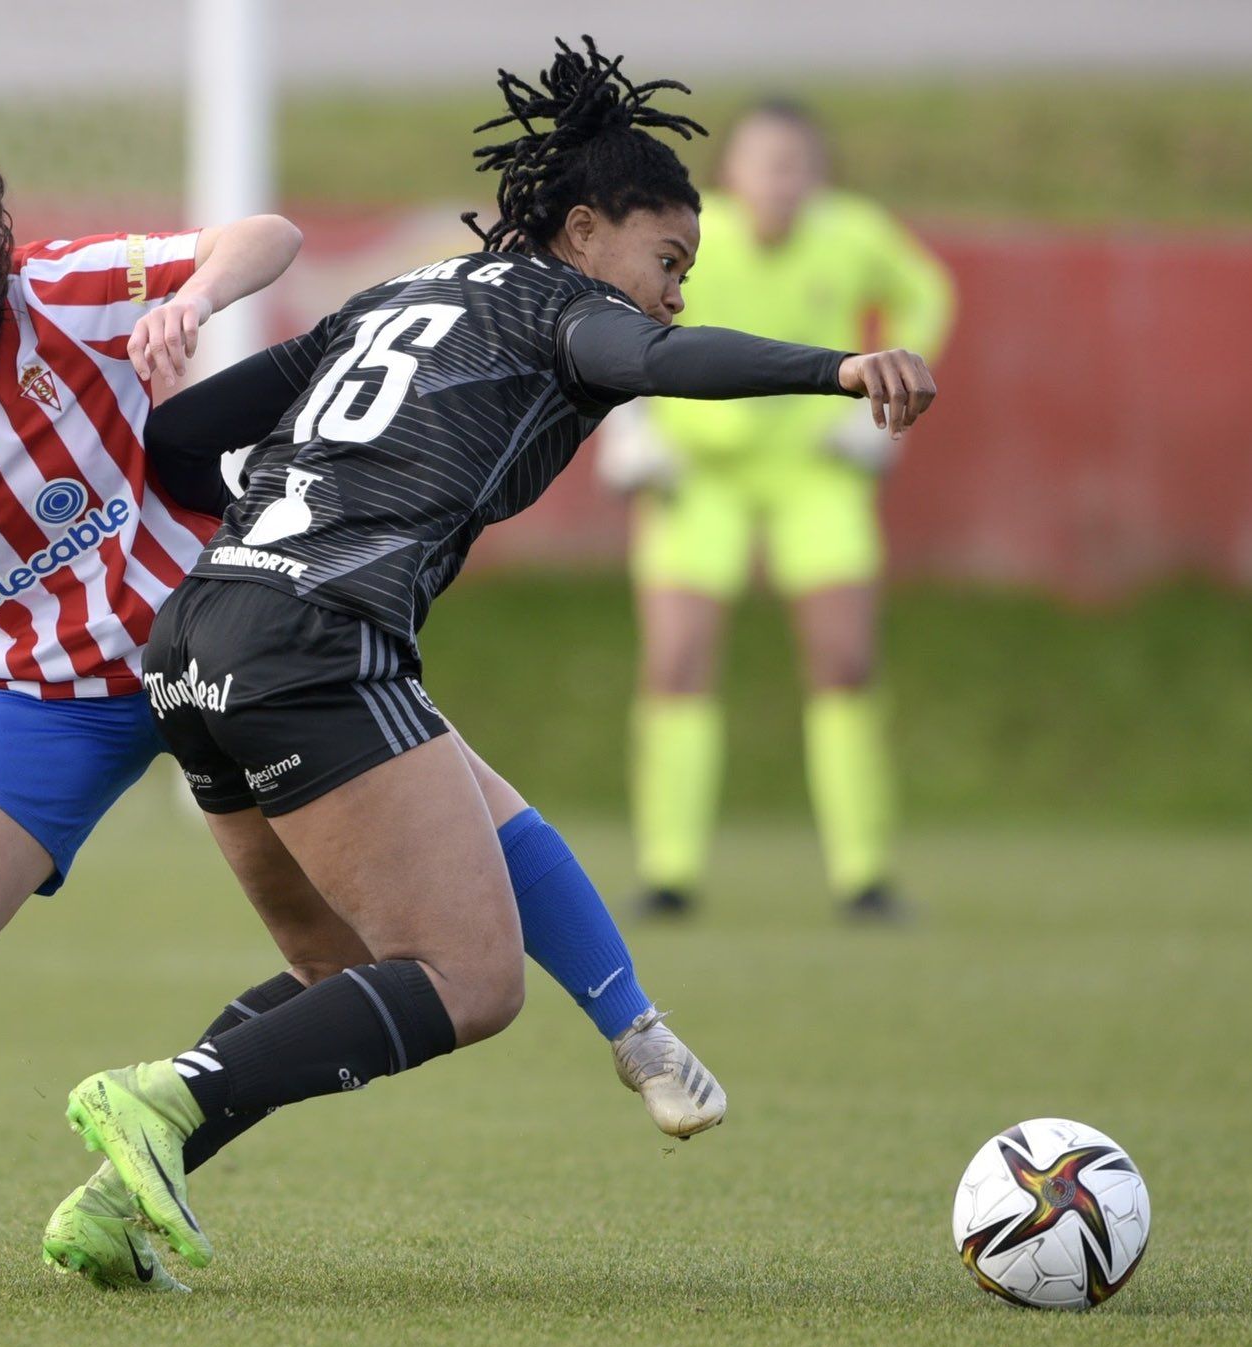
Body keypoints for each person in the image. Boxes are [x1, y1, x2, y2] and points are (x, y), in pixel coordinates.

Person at [0, 116, 727, 1299]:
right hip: (40, 703)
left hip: (219, 649)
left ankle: (632, 1029)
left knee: (435, 860)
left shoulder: (60, 289)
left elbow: (265, 235)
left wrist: (192, 298)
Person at [47, 38, 936, 1275]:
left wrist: (251, 541)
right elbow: (662, 361)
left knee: (340, 968)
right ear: (582, 230)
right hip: (316, 645)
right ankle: (162, 1096)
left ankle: (115, 1199)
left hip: (198, 640)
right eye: (667, 260)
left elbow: (184, 431)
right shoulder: (566, 312)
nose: (672, 292)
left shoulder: (399, 295)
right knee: (469, 981)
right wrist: (833, 367)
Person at [599, 99, 954, 921]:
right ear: (732, 173)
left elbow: (926, 293)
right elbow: (615, 308)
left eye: (795, 165)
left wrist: (881, 412)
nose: (779, 182)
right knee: (676, 662)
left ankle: (863, 874)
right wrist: (631, 421)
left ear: (818, 174)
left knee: (845, 661)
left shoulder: (854, 233)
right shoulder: (693, 232)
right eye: (764, 163)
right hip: (699, 471)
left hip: (813, 469)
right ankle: (668, 871)